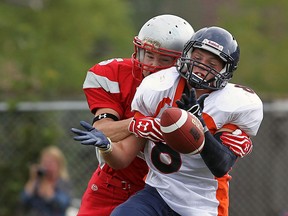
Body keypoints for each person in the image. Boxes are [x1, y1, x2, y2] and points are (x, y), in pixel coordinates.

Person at [71, 26, 263, 216]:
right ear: (186, 55)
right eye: (197, 59)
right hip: (157, 194)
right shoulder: (159, 87)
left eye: (212, 64)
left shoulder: (234, 105)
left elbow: (221, 165)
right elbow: (123, 156)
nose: (201, 66)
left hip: (202, 204)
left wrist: (199, 128)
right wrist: (107, 146)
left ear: (225, 71)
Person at [75, 14, 195, 216]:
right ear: (138, 51)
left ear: (183, 63)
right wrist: (142, 123)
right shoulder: (116, 74)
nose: (152, 65)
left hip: (169, 192)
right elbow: (104, 131)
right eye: (148, 55)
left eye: (164, 59)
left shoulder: (192, 91)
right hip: (116, 183)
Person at [20, 145, 71, 216]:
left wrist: (46, 185)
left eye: (50, 163)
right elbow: (24, 200)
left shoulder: (62, 182)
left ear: (59, 165)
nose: (47, 166)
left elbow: (61, 204)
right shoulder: (37, 181)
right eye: (45, 162)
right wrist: (32, 179)